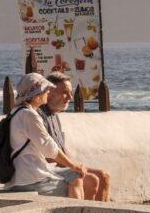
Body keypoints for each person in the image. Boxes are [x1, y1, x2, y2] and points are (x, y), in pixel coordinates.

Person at [6, 73, 88, 198]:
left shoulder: (16, 111)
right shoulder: (29, 115)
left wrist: (73, 167)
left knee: (75, 175)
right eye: (46, 90)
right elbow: (49, 148)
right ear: (37, 95)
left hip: (22, 177)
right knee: (76, 179)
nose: (48, 93)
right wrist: (73, 165)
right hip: (31, 180)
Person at [41, 72, 112, 201]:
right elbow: (47, 155)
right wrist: (72, 166)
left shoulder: (54, 116)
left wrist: (74, 165)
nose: (70, 97)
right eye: (65, 92)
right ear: (49, 92)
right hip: (48, 171)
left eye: (70, 92)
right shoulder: (39, 117)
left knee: (104, 176)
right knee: (93, 180)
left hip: (63, 166)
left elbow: (61, 149)